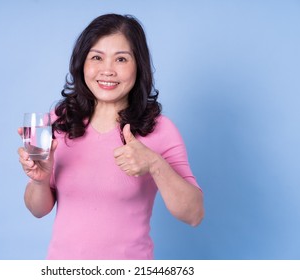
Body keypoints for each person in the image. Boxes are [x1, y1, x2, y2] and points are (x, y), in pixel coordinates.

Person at [17, 13, 204, 260]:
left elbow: (194, 214)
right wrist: (40, 181)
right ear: (82, 63)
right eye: (96, 57)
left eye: (121, 59)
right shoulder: (57, 120)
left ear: (138, 66)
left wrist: (155, 164)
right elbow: (37, 210)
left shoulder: (159, 129)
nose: (107, 70)